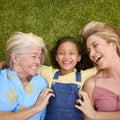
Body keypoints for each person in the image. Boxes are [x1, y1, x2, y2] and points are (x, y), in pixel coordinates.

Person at [37, 36, 97, 120]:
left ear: (79, 57)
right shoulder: (50, 73)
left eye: (71, 53)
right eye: (61, 53)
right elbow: (32, 64)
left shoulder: (83, 76)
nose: (66, 57)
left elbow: (103, 66)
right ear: (56, 57)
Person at [0, 32, 54, 120]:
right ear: (15, 58)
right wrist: (36, 108)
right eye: (33, 56)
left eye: (39, 57)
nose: (38, 62)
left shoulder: (41, 84)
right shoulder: (2, 79)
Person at [75, 21, 120, 120]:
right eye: (89, 50)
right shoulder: (91, 85)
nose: (92, 54)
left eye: (95, 45)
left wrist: (96, 115)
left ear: (113, 45)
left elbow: (92, 116)